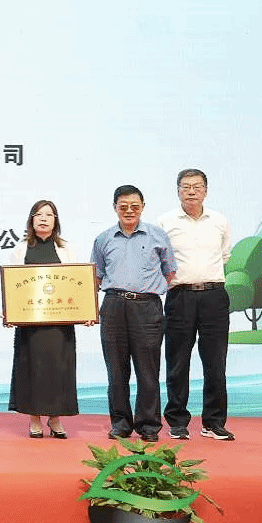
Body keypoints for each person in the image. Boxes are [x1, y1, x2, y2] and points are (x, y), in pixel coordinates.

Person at [90, 184, 176, 443]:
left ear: (143, 207)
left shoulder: (157, 236)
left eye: (135, 206)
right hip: (114, 305)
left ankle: (149, 425)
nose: (129, 211)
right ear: (115, 207)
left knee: (148, 370)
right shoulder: (103, 239)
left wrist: (146, 290)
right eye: (123, 206)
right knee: (116, 370)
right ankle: (120, 423)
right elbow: (96, 276)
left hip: (147, 307)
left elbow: (170, 271)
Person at [158, 169, 234, 441]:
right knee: (177, 361)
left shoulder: (219, 221)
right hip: (180, 296)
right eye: (186, 186)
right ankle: (178, 421)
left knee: (216, 361)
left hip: (214, 296)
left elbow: (224, 255)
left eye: (197, 186)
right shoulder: (165, 222)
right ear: (178, 190)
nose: (191, 191)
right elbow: (160, 259)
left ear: (206, 190)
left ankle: (213, 422)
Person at [7, 200, 85, 439]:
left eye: (49, 215)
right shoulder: (21, 248)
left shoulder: (66, 249)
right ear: (31, 219)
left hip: (60, 322)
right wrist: (9, 312)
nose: (43, 218)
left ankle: (55, 418)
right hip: (30, 323)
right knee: (32, 368)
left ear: (55, 221)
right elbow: (12, 285)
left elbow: (77, 283)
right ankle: (34, 418)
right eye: (38, 214)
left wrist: (85, 312)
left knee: (58, 368)